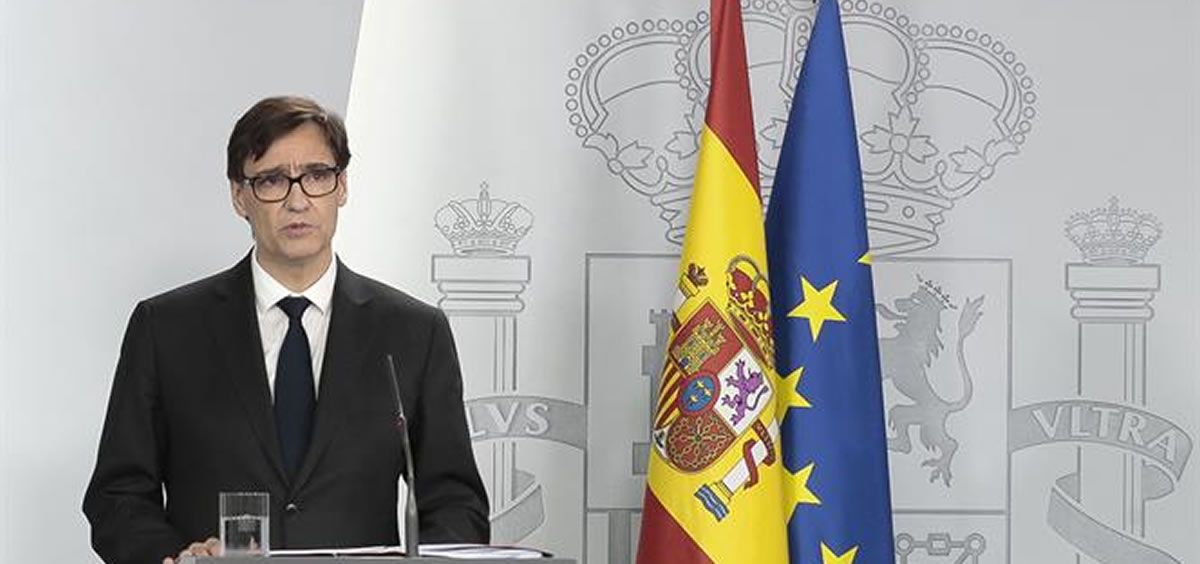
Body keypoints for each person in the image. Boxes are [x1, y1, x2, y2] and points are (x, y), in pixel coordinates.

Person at [83, 96, 489, 564]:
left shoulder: (413, 332)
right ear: (239, 196)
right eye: (272, 180)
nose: (298, 200)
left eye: (317, 175)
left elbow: (456, 503)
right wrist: (176, 558)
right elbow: (118, 497)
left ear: (341, 186)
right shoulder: (167, 329)